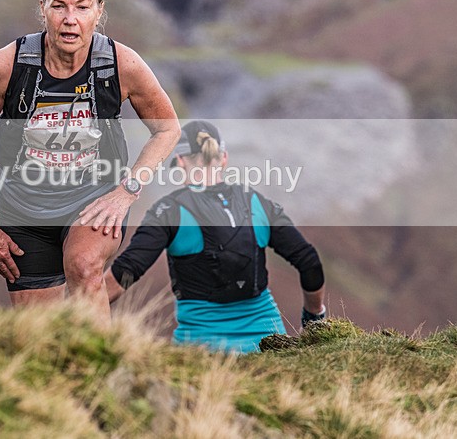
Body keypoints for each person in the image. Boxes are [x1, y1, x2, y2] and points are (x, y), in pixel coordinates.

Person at [0, 0, 180, 321]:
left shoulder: (120, 64)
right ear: (43, 8)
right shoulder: (6, 67)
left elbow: (168, 128)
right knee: (37, 335)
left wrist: (127, 191)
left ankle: (105, 371)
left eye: (82, 7)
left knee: (84, 264)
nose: (70, 19)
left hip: (94, 200)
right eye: (59, 6)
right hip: (24, 210)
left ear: (98, 11)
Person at [104, 120, 326, 353]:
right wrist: (314, 320)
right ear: (223, 158)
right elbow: (309, 262)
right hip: (269, 345)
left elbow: (126, 272)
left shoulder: (169, 211)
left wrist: (78, 315)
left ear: (180, 162)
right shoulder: (256, 203)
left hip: (202, 351)